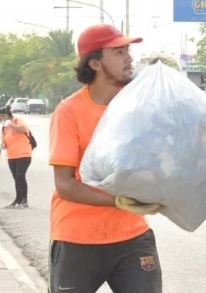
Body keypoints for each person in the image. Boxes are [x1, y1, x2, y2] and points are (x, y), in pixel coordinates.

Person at [48, 24, 164, 293]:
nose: (129, 57)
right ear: (96, 63)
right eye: (119, 52)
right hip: (77, 240)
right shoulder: (69, 112)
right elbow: (65, 186)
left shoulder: (139, 107)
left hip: (133, 238)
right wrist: (118, 201)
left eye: (128, 50)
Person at [0, 106, 32, 209]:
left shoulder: (18, 121)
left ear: (5, 116)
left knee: (20, 176)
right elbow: (5, 142)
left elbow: (22, 130)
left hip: (24, 154)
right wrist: (3, 145)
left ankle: (24, 200)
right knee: (16, 178)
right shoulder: (4, 128)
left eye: (1, 118)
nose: (0, 121)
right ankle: (18, 199)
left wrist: (10, 124)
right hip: (12, 156)